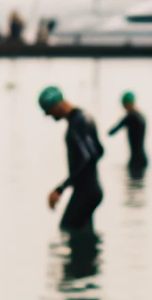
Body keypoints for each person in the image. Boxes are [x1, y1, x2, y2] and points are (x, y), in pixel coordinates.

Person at [38, 86, 104, 231]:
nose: (50, 116)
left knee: (66, 229)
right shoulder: (86, 117)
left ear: (57, 105)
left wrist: (60, 189)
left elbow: (86, 158)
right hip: (93, 190)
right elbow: (99, 151)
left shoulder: (75, 125)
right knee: (84, 236)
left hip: (85, 192)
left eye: (49, 111)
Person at [107, 91, 148, 175]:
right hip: (143, 158)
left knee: (133, 184)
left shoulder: (130, 117)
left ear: (127, 104)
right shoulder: (141, 116)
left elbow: (112, 131)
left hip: (135, 161)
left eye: (124, 105)